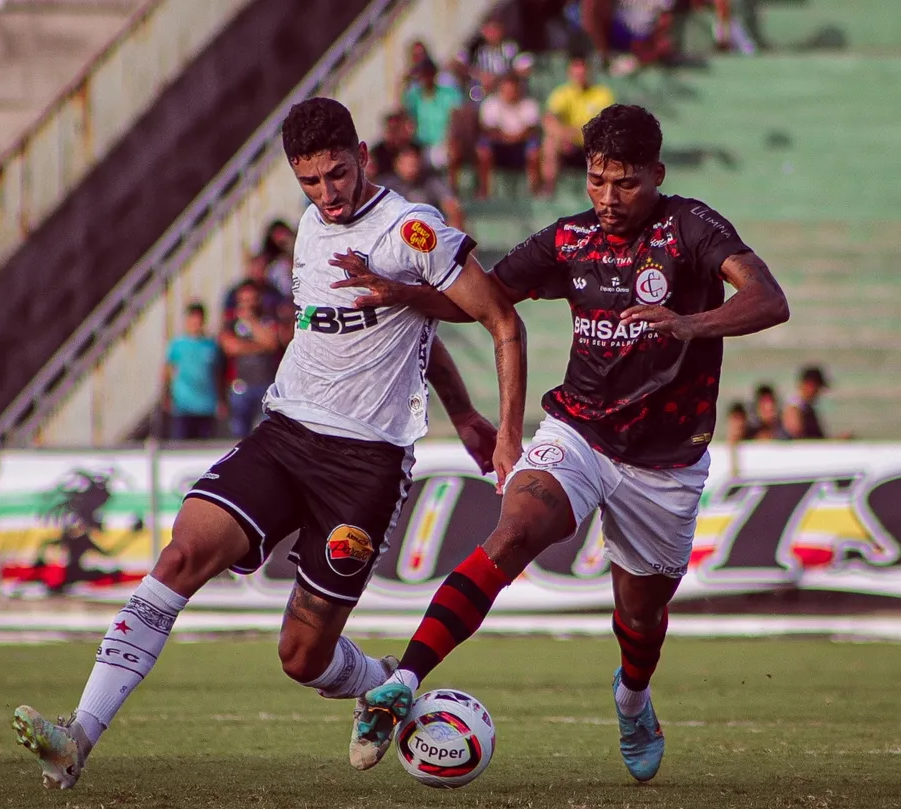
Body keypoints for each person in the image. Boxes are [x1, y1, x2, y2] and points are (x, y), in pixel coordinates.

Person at [11, 97, 527, 790]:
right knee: (183, 551)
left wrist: (488, 423)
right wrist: (455, 401)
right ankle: (78, 736)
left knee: (301, 655)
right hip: (285, 435)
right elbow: (384, 335)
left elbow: (497, 317)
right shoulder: (310, 230)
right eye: (310, 181)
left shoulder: (412, 231)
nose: (327, 193)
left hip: (365, 464)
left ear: (363, 157)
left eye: (339, 175)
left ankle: (382, 686)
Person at [343, 104, 790, 780]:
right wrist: (401, 292)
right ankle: (402, 679)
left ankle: (632, 698)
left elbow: (769, 297)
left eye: (627, 183)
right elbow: (485, 299)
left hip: (665, 464)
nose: (609, 199)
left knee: (639, 621)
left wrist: (692, 324)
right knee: (517, 526)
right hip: (578, 431)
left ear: (657, 175)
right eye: (598, 181)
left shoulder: (691, 228)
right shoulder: (570, 240)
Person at [542, 55, 614, 195]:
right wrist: (564, 136)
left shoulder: (602, 94)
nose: (580, 76)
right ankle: (548, 191)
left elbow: (605, 124)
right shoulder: (562, 93)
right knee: (549, 143)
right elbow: (549, 119)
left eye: (583, 73)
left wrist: (579, 133)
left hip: (593, 145)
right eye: (576, 73)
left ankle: (603, 193)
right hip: (568, 143)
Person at [220, 281, 281, 439]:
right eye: (244, 299)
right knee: (239, 433)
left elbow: (272, 343)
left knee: (267, 432)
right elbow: (230, 347)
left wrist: (251, 322)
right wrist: (260, 346)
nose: (248, 303)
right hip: (240, 385)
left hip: (265, 384)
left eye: (252, 299)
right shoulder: (231, 322)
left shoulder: (267, 319)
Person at [161, 302, 222, 440]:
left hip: (206, 406)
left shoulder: (211, 345)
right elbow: (167, 371)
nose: (196, 322)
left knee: (205, 450)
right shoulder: (178, 344)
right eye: (192, 318)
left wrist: (221, 399)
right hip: (183, 406)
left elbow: (217, 373)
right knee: (182, 449)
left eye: (198, 319)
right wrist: (166, 395)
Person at [475, 72, 542, 198]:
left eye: (514, 88)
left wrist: (514, 138)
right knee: (483, 149)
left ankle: (535, 192)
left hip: (521, 146)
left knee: (534, 150)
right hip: (499, 146)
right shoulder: (491, 103)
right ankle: (484, 191)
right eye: (507, 89)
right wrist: (507, 138)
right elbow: (489, 130)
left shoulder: (529, 104)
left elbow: (531, 129)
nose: (510, 92)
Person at [380, 142, 466, 231]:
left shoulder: (431, 181)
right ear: (397, 165)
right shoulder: (387, 185)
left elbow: (452, 206)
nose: (411, 168)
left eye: (413, 163)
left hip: (431, 232)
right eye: (407, 164)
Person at [402, 58, 464, 169]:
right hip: (421, 145)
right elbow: (406, 118)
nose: (425, 78)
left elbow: (457, 118)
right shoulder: (413, 97)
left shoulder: (448, 94)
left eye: (428, 74)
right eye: (422, 75)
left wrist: (450, 139)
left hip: (444, 143)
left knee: (454, 150)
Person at [784, 366, 840, 439]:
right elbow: (799, 438)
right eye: (818, 387)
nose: (819, 392)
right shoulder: (794, 408)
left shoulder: (806, 408)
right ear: (810, 385)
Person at [368, 110, 416, 180]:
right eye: (390, 129)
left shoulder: (412, 149)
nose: (393, 134)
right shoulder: (376, 152)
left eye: (397, 130)